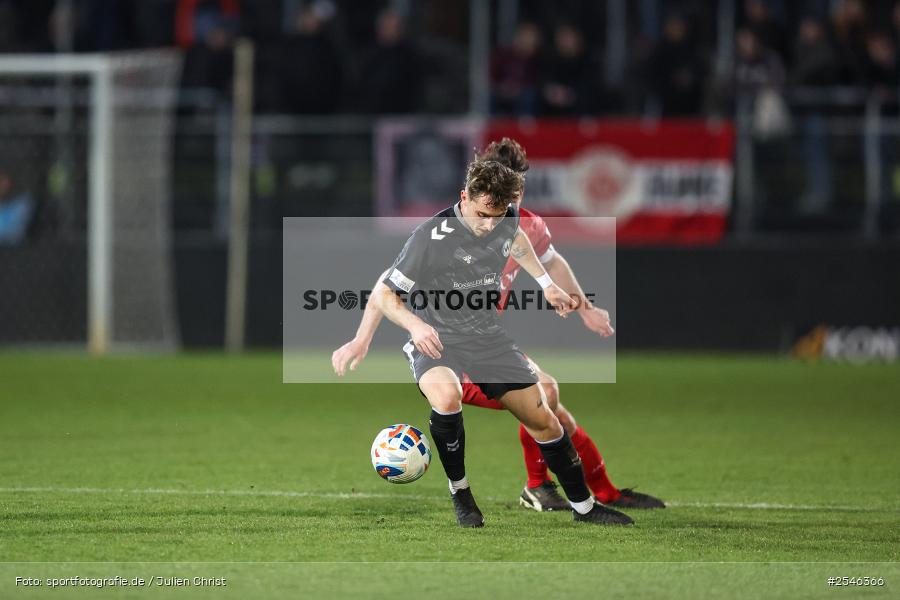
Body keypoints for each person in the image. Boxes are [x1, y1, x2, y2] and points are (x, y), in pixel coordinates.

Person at [334, 139, 664, 513]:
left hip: (485, 337)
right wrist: (363, 339)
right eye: (502, 197)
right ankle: (514, 488)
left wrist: (578, 303)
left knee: (547, 403)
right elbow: (387, 285)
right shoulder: (443, 232)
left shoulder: (516, 223)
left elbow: (544, 258)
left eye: (517, 191)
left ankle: (589, 495)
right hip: (446, 344)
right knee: (528, 396)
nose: (509, 205)